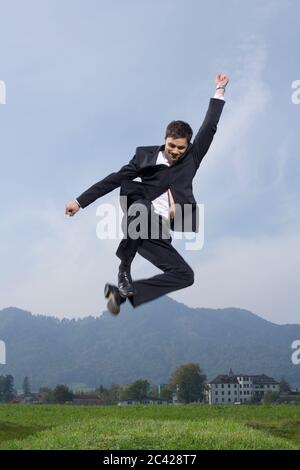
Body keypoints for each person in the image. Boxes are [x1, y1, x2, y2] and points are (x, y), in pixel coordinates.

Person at [65, 74, 229, 315]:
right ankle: (124, 269)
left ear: (188, 147)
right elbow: (113, 180)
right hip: (138, 214)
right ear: (165, 141)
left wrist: (219, 90)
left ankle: (122, 295)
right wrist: (79, 201)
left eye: (181, 148)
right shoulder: (144, 157)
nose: (175, 152)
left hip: (157, 232)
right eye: (172, 146)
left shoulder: (193, 157)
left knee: (185, 276)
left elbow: (209, 127)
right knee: (142, 208)